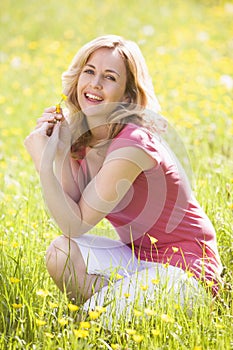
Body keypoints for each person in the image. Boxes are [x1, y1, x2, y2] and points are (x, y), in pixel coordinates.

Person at [24, 35, 222, 322]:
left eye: (109, 77)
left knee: (91, 322)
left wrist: (42, 161)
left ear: (127, 95)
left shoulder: (134, 144)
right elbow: (72, 223)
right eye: (89, 71)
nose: (94, 84)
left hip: (186, 269)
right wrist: (62, 151)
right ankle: (126, 306)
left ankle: (120, 309)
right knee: (61, 252)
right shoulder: (88, 138)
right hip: (138, 257)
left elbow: (75, 221)